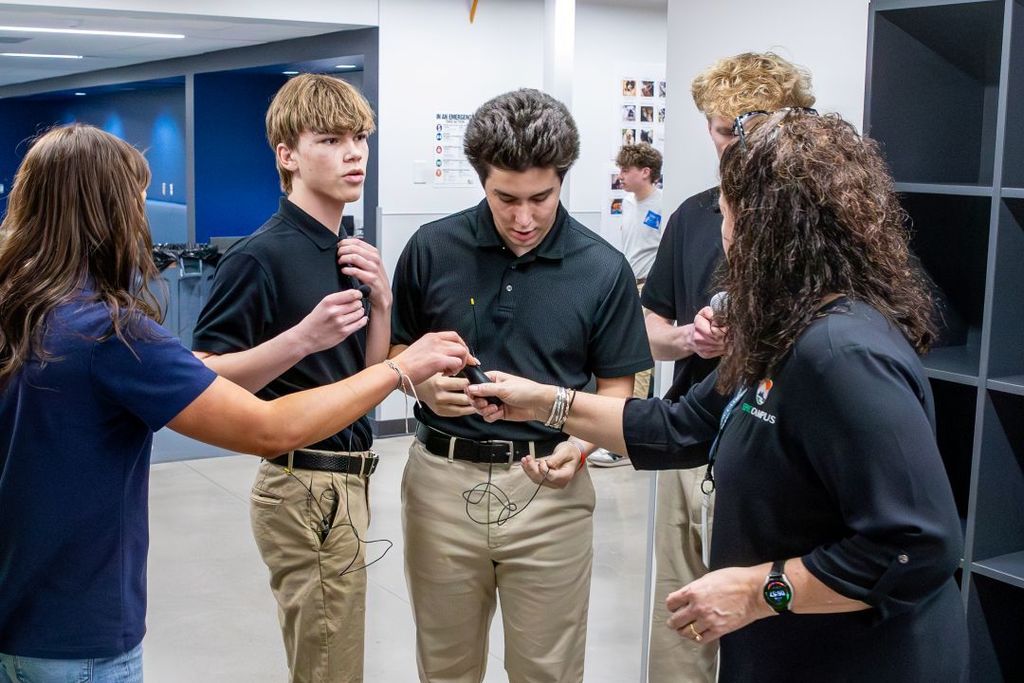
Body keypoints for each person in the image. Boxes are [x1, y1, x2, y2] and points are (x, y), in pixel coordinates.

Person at [467, 111, 968, 682]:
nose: (720, 233)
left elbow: (917, 546)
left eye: (724, 214)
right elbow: (680, 425)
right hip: (785, 648)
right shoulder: (784, 331)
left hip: (862, 658)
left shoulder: (841, 354)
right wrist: (542, 401)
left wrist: (762, 589)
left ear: (764, 228)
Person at [0, 124, 470, 683]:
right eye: (135, 201)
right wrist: (399, 368)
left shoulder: (20, 313)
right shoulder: (110, 334)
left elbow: (183, 376)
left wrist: (350, 322)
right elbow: (266, 427)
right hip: (76, 631)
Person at [389, 88, 653, 683]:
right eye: (505, 198)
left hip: (551, 490)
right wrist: (422, 387)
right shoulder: (432, 248)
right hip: (439, 484)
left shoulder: (602, 268)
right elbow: (395, 350)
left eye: (542, 197)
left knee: (549, 671)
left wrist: (582, 446)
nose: (525, 218)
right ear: (481, 180)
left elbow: (619, 388)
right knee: (444, 667)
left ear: (564, 180)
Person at [190, 74, 391, 683]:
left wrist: (381, 303)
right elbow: (200, 377)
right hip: (302, 484)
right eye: (330, 139)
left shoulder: (348, 247)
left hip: (350, 479)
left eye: (359, 138)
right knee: (328, 663)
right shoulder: (260, 255)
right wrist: (299, 339)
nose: (353, 153)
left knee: (336, 656)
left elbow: (368, 379)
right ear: (288, 155)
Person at [638, 52, 815, 681]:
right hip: (691, 440)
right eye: (721, 128)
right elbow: (649, 327)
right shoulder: (692, 216)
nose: (734, 143)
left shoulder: (816, 227)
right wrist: (689, 339)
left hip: (772, 454)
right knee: (681, 616)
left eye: (751, 124)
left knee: (760, 625)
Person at [590, 142, 663, 467]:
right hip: (630, 288)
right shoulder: (630, 204)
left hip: (649, 290)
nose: (620, 176)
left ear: (645, 172)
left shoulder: (663, 206)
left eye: (626, 170)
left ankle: (622, 442)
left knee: (639, 366)